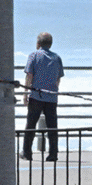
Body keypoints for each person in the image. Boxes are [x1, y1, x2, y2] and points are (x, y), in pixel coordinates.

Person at [21, 32, 64, 162]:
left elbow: (29, 76)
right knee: (52, 127)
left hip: (36, 95)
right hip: (51, 97)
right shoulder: (57, 58)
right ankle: (53, 154)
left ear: (38, 43)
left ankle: (27, 153)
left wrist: (25, 94)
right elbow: (58, 79)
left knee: (31, 125)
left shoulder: (34, 55)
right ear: (50, 44)